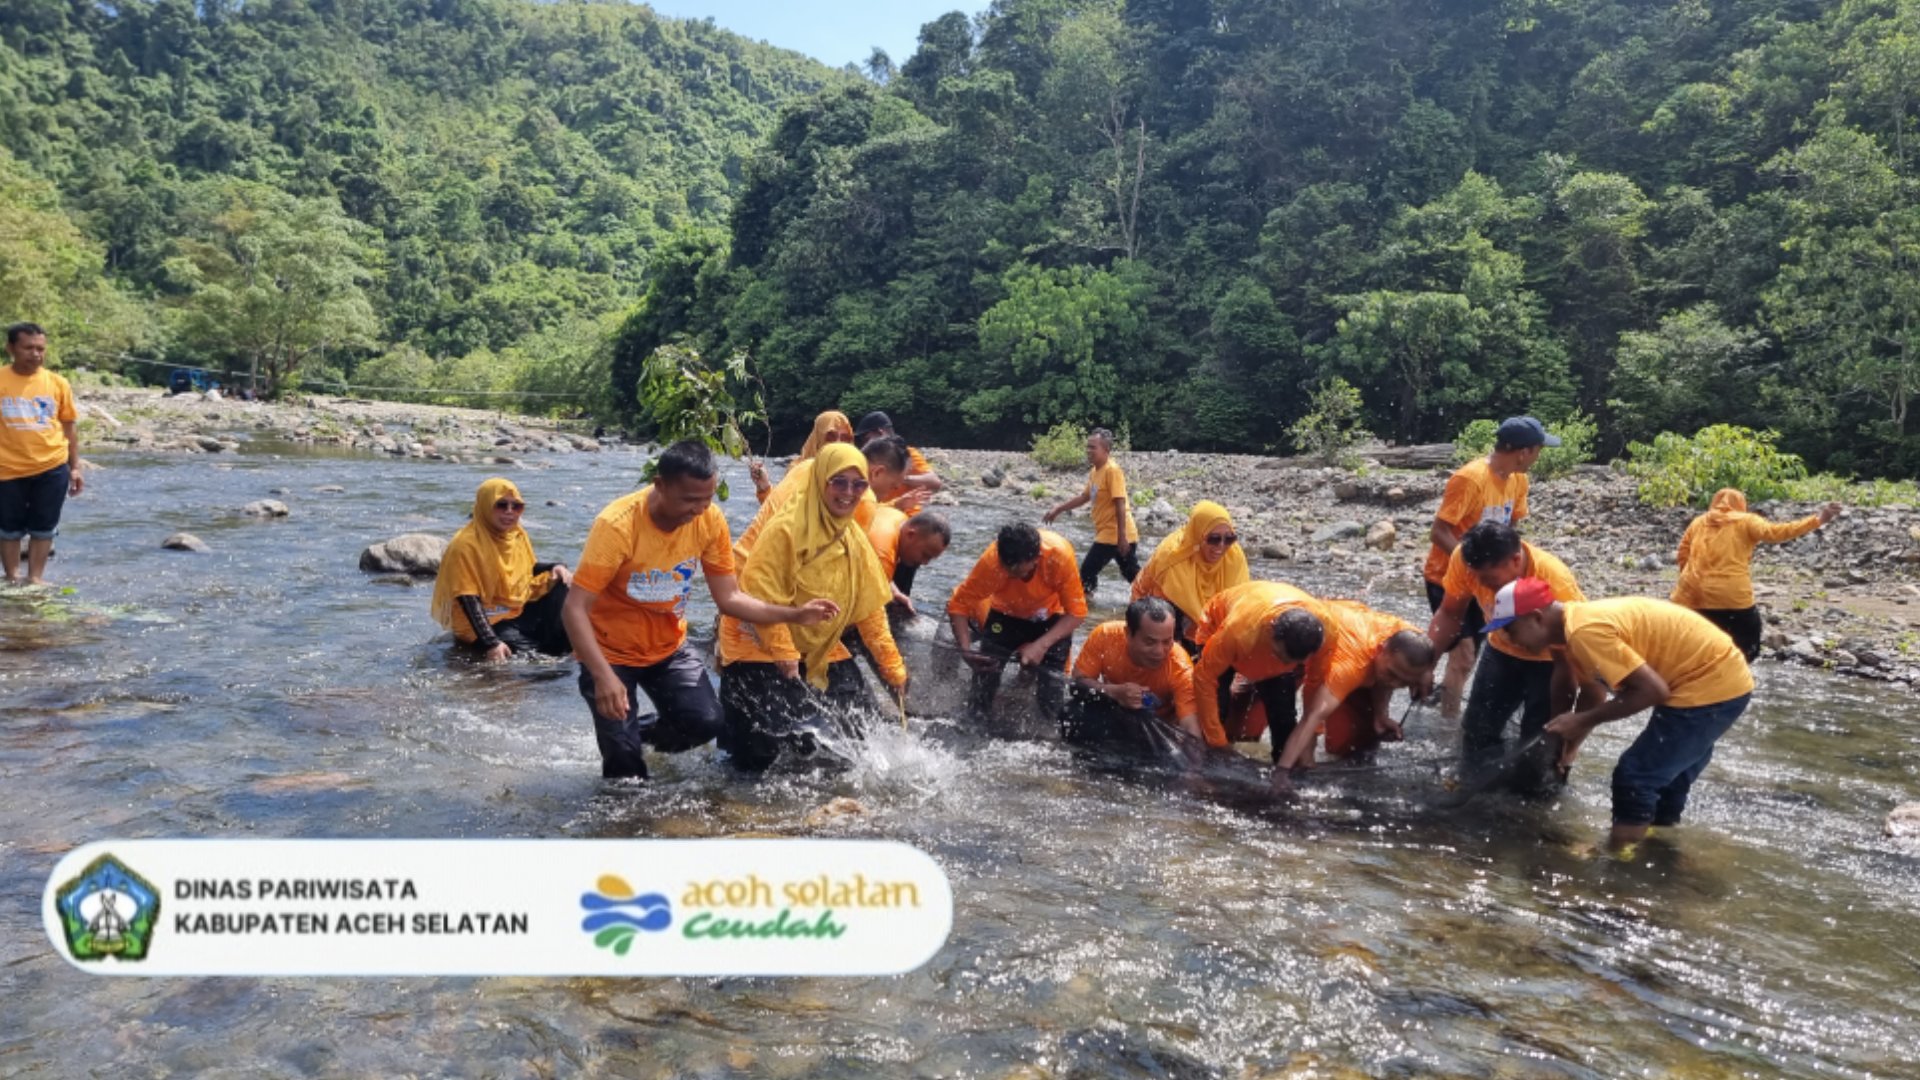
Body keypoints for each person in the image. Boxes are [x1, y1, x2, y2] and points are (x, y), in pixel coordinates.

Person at [562, 441, 840, 780]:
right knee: (624, 768)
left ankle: (634, 735)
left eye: (706, 498)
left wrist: (794, 614)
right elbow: (574, 608)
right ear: (660, 485)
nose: (698, 509)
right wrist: (603, 676)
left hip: (667, 648)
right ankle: (625, 777)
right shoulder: (618, 526)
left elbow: (730, 599)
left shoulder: (709, 520)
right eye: (689, 499)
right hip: (610, 652)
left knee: (706, 722)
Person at [1497, 580, 1756, 851]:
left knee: (1635, 777)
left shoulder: (1585, 632)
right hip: (1722, 677)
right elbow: (1592, 693)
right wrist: (1570, 745)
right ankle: (1655, 850)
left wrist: (1584, 720)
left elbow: (1653, 690)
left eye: (1510, 630)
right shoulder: (1572, 628)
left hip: (1711, 685)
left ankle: (1617, 858)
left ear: (1536, 618)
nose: (1509, 640)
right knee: (1667, 780)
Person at [718, 443, 907, 773]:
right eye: (839, 482)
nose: (849, 494)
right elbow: (761, 591)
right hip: (758, 640)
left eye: (858, 485)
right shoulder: (786, 528)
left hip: (818, 643)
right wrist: (782, 648)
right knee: (762, 755)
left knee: (861, 736)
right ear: (821, 482)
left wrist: (892, 667)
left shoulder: (850, 533)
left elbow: (870, 606)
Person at [1427, 522, 1603, 776]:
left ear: (1516, 560)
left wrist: (1569, 741)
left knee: (1540, 744)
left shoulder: (1553, 581)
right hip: (1500, 650)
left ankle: (1537, 800)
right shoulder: (1465, 560)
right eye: (1476, 577)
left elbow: (1576, 673)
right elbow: (1450, 612)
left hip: (1549, 663)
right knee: (1477, 732)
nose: (1481, 585)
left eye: (1489, 579)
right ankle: (1478, 796)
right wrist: (1427, 664)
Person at [1424, 416, 1553, 717]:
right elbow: (1439, 531)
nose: (1537, 458)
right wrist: (1471, 565)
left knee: (1481, 649)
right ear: (1523, 451)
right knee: (1464, 653)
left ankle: (1447, 701)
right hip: (1446, 575)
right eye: (1537, 451)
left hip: (1489, 578)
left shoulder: (1519, 480)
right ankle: (1447, 726)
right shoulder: (1470, 478)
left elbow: (1511, 529)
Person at [1672, 489, 1841, 660]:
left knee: (1693, 649)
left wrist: (1691, 581)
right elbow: (1776, 532)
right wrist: (1817, 520)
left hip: (1690, 596)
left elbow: (1682, 554)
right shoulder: (1746, 521)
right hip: (1732, 597)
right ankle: (1735, 678)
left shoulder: (1699, 522)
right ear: (1741, 504)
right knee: (1746, 646)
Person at [947, 522, 1088, 725]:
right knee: (985, 673)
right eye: (1007, 570)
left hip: (1051, 617)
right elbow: (959, 604)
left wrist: (1041, 645)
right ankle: (975, 722)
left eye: (1018, 572)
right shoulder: (991, 562)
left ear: (1036, 559)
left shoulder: (1059, 556)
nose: (1010, 575)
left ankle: (1050, 733)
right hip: (1006, 614)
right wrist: (966, 648)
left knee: (1051, 690)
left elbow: (1077, 614)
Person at [1274, 602, 1436, 771]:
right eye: (1392, 674)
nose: (1394, 684)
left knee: (1349, 746)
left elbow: (1419, 654)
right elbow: (1313, 715)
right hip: (1313, 636)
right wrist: (1287, 769)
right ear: (1381, 650)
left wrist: (1381, 714)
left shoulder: (1411, 642)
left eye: (1404, 682)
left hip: (1356, 621)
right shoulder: (1350, 667)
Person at [430, 478, 573, 659]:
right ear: (485, 506)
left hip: (513, 608)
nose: (509, 512)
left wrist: (556, 566)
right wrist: (491, 642)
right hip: (485, 619)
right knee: (533, 658)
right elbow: (467, 598)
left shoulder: (516, 535)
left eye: (516, 506)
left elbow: (526, 569)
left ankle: (561, 642)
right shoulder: (465, 545)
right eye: (501, 505)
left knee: (563, 579)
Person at [1190, 581, 1330, 754]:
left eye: (1294, 662)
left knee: (1284, 716)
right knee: (1218, 706)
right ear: (1272, 632)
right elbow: (1204, 679)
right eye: (1282, 657)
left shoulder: (1327, 631)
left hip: (1262, 632)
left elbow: (1317, 683)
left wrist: (1313, 733)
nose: (1285, 665)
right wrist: (1218, 743)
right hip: (1218, 626)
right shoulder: (1238, 631)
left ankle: (1284, 771)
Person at [1063, 597, 1202, 754]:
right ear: (1128, 634)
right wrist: (1115, 692)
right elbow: (1077, 683)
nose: (1159, 652)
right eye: (1150, 642)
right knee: (1073, 712)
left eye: (1167, 642)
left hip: (1155, 731)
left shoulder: (1180, 666)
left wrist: (1193, 774)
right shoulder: (1105, 636)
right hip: (1113, 710)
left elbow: (1191, 727)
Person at [0, 323, 82, 586]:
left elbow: (69, 426)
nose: (35, 354)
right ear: (11, 348)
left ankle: (35, 578)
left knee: (44, 527)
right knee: (9, 529)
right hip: (6, 468)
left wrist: (76, 467)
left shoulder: (57, 383)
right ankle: (12, 577)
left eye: (40, 349)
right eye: (28, 348)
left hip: (52, 466)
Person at [1131, 500, 1249, 651]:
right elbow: (1159, 611)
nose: (1221, 546)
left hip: (1200, 622)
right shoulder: (1172, 558)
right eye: (1214, 539)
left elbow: (1238, 606)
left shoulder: (1234, 556)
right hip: (1158, 608)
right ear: (1199, 536)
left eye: (1229, 538)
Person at [1043, 427, 1139, 598]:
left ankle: (1085, 605)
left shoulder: (1112, 470)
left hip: (1115, 534)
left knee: (1088, 571)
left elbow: (1120, 502)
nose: (1088, 451)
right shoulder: (1095, 471)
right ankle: (1152, 600)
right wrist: (1058, 508)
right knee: (1132, 575)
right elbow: (1084, 497)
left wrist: (1122, 537)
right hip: (1110, 533)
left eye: (1093, 447)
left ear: (1106, 450)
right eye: (1088, 447)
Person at [867, 503, 952, 616]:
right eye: (925, 555)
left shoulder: (900, 518)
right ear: (911, 534)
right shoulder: (883, 553)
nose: (925, 562)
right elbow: (869, 613)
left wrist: (895, 592)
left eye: (931, 558)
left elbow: (879, 573)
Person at [750, 410, 853, 502]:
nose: (838, 443)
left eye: (845, 438)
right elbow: (778, 512)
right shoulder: (798, 471)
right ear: (818, 439)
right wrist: (764, 488)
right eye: (831, 437)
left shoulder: (856, 475)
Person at [852, 410, 944, 505]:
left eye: (866, 438)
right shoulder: (867, 456)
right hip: (879, 510)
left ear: (881, 433)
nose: (864, 443)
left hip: (906, 514)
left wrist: (899, 478)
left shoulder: (906, 454)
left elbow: (934, 482)